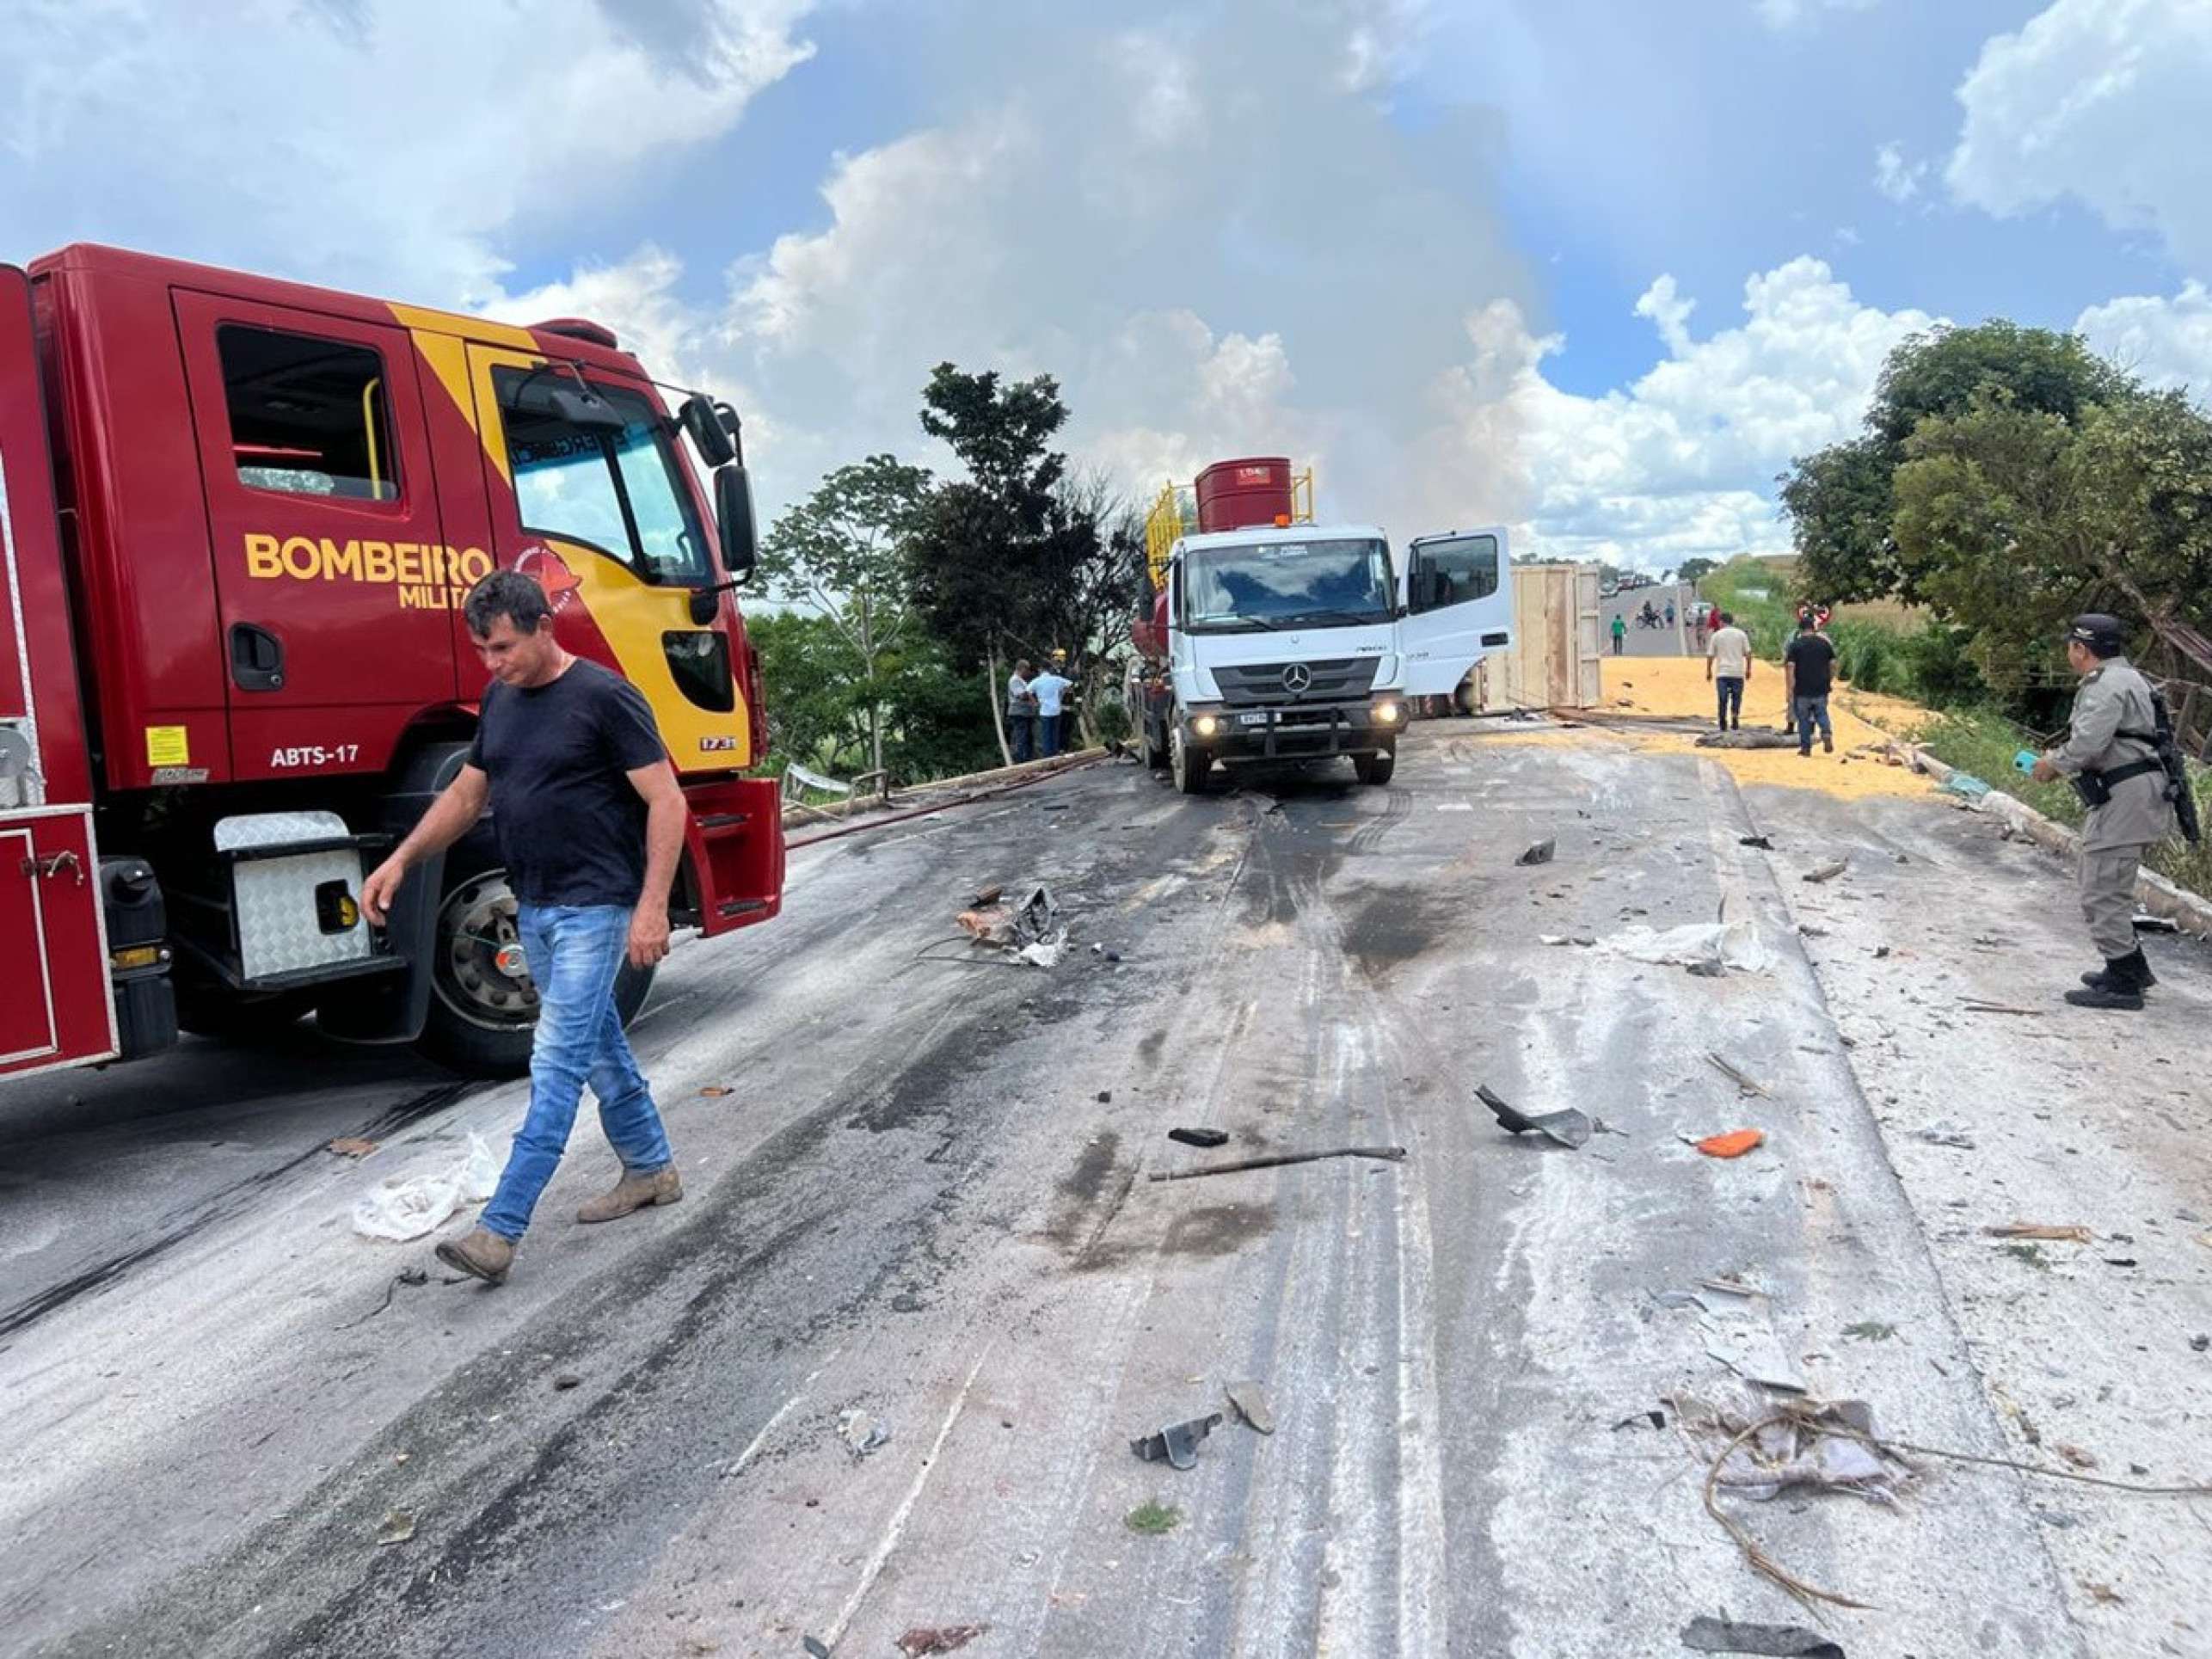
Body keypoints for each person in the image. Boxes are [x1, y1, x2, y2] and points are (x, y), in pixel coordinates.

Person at [360, 570, 687, 1286]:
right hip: (532, 907)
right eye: (481, 649)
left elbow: (666, 800)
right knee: (598, 1046)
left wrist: (652, 905)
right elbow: (469, 790)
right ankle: (652, 1169)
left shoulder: (605, 697)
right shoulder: (500, 698)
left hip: (596, 908)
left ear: (545, 626)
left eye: (503, 646)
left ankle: (499, 1229)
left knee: (556, 1063)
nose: (492, 662)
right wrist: (402, 859)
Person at [2030, 614, 2176, 1011]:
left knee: (2101, 886)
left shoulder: (2105, 684)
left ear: (2082, 648)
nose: (2068, 653)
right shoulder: (2131, 678)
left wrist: (2052, 765)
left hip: (2126, 795)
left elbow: (2089, 743)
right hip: (2131, 792)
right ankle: (2129, 967)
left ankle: (2124, 982)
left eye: (2070, 646)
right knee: (2106, 880)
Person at [1783, 612, 1837, 756]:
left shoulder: (1795, 645)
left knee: (1804, 719)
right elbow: (1833, 663)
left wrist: (1790, 687)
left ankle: (1806, 748)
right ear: (1814, 628)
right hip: (1821, 687)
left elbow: (1790, 667)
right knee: (1821, 713)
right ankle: (1826, 732)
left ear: (1800, 630)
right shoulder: (1824, 644)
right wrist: (1829, 679)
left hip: (1802, 688)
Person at [1707, 610, 1751, 730]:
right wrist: (1748, 669)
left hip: (1722, 673)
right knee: (1737, 697)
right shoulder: (1741, 634)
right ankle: (1735, 717)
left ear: (1721, 622)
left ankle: (1722, 721)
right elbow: (1748, 654)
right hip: (1737, 672)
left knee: (1722, 698)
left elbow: (1710, 655)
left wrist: (1709, 671)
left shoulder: (1717, 635)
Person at [1029, 659, 1075, 757]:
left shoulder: (1036, 681)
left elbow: (1028, 691)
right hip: (1056, 710)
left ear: (1040, 669)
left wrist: (1035, 702)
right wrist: (1061, 694)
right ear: (1050, 669)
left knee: (1046, 736)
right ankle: (1055, 755)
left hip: (1045, 711)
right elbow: (1071, 684)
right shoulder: (1056, 679)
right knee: (1055, 735)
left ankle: (1047, 757)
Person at [1005, 658, 1037, 763]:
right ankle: (1020, 759)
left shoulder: (1022, 681)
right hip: (1019, 712)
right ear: (1022, 669)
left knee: (1028, 737)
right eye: (1027, 670)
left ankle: (1028, 758)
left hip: (1027, 713)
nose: (1028, 672)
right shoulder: (1015, 680)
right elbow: (1021, 695)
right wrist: (1032, 693)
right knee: (1021, 736)